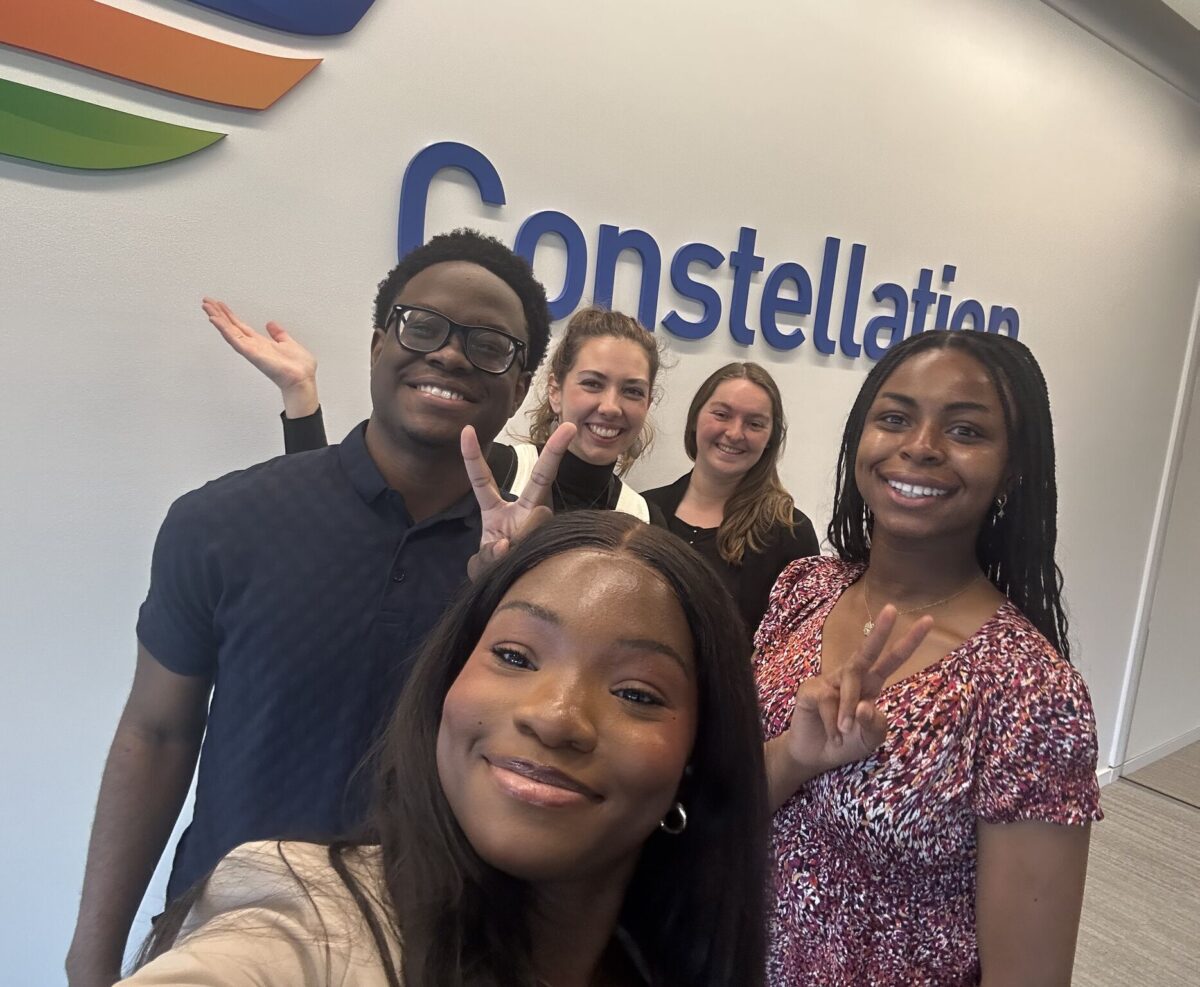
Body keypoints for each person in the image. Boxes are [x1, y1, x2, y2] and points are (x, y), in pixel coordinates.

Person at [66, 229, 576, 987]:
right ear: (377, 344)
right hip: (228, 940)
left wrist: (511, 597)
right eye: (422, 325)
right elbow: (156, 731)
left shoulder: (557, 567)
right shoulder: (224, 522)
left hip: (448, 951)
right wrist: (92, 956)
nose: (450, 354)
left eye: (490, 344)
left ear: (522, 382)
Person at [118, 512, 770, 987]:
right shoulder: (306, 918)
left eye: (636, 692)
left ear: (694, 759)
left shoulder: (660, 961)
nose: (555, 717)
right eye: (515, 655)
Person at [757, 330, 1102, 985]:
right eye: (893, 418)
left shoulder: (1031, 692)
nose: (919, 446)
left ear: (1013, 468)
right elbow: (728, 802)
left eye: (966, 430)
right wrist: (799, 756)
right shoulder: (804, 587)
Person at [209, 304, 666, 525]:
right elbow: (337, 519)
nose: (611, 406)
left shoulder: (643, 517)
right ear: (553, 389)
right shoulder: (493, 467)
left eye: (632, 391)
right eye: (592, 383)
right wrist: (299, 395)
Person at [642, 363, 819, 643]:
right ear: (695, 418)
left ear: (770, 439)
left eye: (755, 424)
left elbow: (792, 651)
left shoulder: (791, 533)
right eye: (722, 415)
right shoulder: (643, 509)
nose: (735, 433)